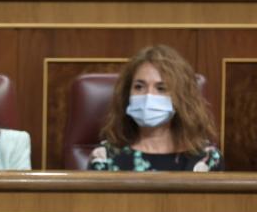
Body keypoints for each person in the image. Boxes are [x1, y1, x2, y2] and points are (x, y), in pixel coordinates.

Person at [88, 45, 222, 172]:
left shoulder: (207, 159)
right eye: (139, 87)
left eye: (161, 88)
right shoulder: (104, 157)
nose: (148, 96)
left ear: (181, 98)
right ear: (127, 93)